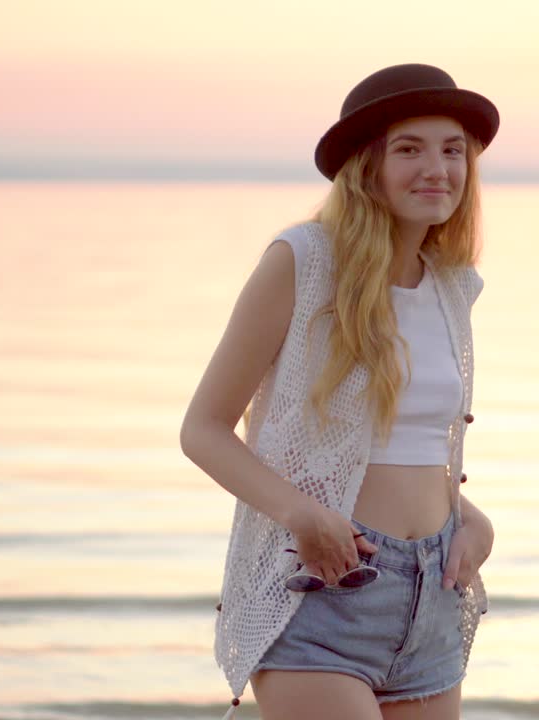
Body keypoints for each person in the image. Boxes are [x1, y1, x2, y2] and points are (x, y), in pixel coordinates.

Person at [179, 63, 500, 720]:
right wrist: (302, 515)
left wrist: (471, 519)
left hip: (432, 593)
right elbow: (204, 428)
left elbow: (410, 442)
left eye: (452, 150)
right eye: (409, 149)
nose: (436, 168)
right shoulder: (303, 260)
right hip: (321, 588)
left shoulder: (451, 286)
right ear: (367, 166)